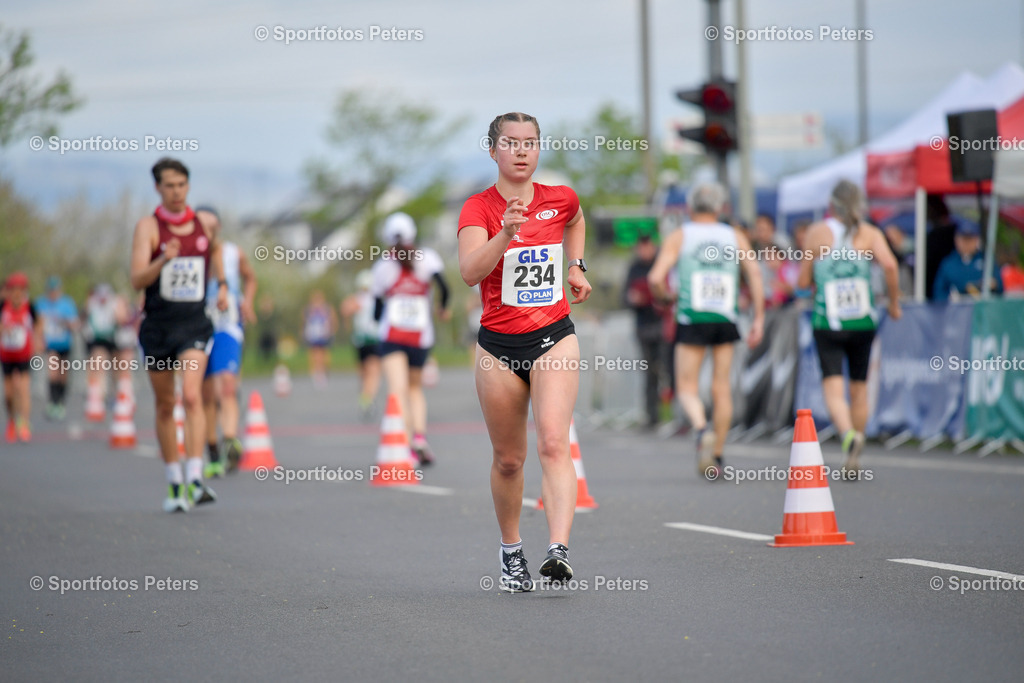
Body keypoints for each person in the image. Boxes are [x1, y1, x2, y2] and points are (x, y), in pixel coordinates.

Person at [458, 112, 592, 592]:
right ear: (492, 150)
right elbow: (470, 272)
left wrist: (575, 266)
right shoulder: (479, 208)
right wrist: (506, 233)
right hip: (498, 346)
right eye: (511, 143)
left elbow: (576, 220)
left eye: (530, 142)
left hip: (553, 334)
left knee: (554, 442)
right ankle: (511, 551)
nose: (521, 151)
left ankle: (558, 550)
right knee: (510, 459)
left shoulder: (560, 199)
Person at [648, 182, 765, 479]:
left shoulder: (681, 236)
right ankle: (717, 454)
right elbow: (754, 273)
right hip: (725, 316)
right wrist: (759, 318)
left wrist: (664, 296)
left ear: (690, 207)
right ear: (721, 208)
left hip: (692, 316)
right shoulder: (735, 235)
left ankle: (701, 428)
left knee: (686, 387)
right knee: (721, 387)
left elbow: (655, 277)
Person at [130, 157, 226, 513]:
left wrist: (224, 285)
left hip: (194, 326)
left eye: (182, 185)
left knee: (192, 396)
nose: (176, 192)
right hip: (158, 329)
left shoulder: (202, 224)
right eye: (169, 185)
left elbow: (214, 250)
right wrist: (162, 261)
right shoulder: (148, 228)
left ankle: (197, 478)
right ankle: (175, 482)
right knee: (166, 404)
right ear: (158, 188)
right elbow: (137, 279)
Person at [797, 180, 901, 475]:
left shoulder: (818, 232)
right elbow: (891, 266)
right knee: (859, 387)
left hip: (828, 321)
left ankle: (848, 436)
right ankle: (857, 447)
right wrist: (894, 303)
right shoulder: (869, 233)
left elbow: (803, 282)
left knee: (833, 388)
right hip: (863, 321)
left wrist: (814, 280)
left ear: (832, 204)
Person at [371, 212, 450, 464]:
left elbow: (376, 308)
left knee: (398, 390)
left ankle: (405, 446)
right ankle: (419, 439)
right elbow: (444, 287)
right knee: (415, 389)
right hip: (420, 336)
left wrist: (384, 314)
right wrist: (442, 307)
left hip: (393, 336)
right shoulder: (427, 258)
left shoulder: (383, 265)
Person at [200, 213, 257, 477]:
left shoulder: (234, 252)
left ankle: (229, 441)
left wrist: (247, 301)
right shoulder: (188, 255)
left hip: (228, 326)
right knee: (206, 394)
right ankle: (212, 451)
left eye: (211, 227)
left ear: (218, 227)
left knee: (228, 384)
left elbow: (251, 278)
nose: (207, 232)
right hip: (199, 327)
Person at [623, 233, 666, 428]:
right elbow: (624, 297)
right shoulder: (634, 268)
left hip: (663, 325)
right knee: (649, 372)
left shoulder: (662, 265)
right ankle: (652, 415)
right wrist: (633, 299)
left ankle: (674, 414)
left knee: (667, 368)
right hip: (643, 326)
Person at [1, 273, 43, 442]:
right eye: (13, 289)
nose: (17, 293)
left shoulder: (30, 307)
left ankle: (24, 423)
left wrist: (38, 340)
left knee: (23, 390)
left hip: (24, 354)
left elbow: (39, 323)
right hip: (7, 354)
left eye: (20, 289)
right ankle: (11, 420)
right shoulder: (3, 307)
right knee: (9, 393)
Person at [34, 276, 79, 420]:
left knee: (62, 375)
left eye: (55, 290)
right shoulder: (41, 304)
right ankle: (53, 402)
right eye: (51, 290)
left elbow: (75, 324)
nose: (53, 293)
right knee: (53, 372)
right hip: (50, 344)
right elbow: (36, 325)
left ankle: (61, 402)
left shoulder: (67, 303)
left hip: (64, 344)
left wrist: (65, 322)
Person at [341, 270, 381, 419]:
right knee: (374, 372)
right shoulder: (375, 298)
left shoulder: (356, 298)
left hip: (359, 340)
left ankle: (365, 396)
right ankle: (367, 399)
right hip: (373, 338)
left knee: (364, 373)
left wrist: (348, 324)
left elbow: (345, 309)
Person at [81, 283, 125, 419]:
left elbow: (122, 319)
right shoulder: (91, 303)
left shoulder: (114, 302)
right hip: (97, 339)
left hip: (113, 338)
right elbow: (84, 317)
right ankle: (99, 394)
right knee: (98, 365)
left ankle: (114, 392)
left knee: (116, 368)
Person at [933, 221, 1003, 301]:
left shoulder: (986, 260)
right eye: (963, 239)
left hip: (981, 308)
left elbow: (1000, 286)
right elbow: (939, 292)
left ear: (977, 239)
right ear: (956, 239)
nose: (966, 243)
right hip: (956, 309)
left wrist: (992, 284)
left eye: (970, 239)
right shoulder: (948, 263)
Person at [303, 290, 337, 389]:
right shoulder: (308, 310)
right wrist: (304, 333)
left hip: (324, 335)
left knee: (324, 355)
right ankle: (316, 374)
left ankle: (324, 371)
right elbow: (304, 322)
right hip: (313, 336)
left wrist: (332, 331)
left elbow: (333, 320)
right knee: (314, 355)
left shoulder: (327, 309)